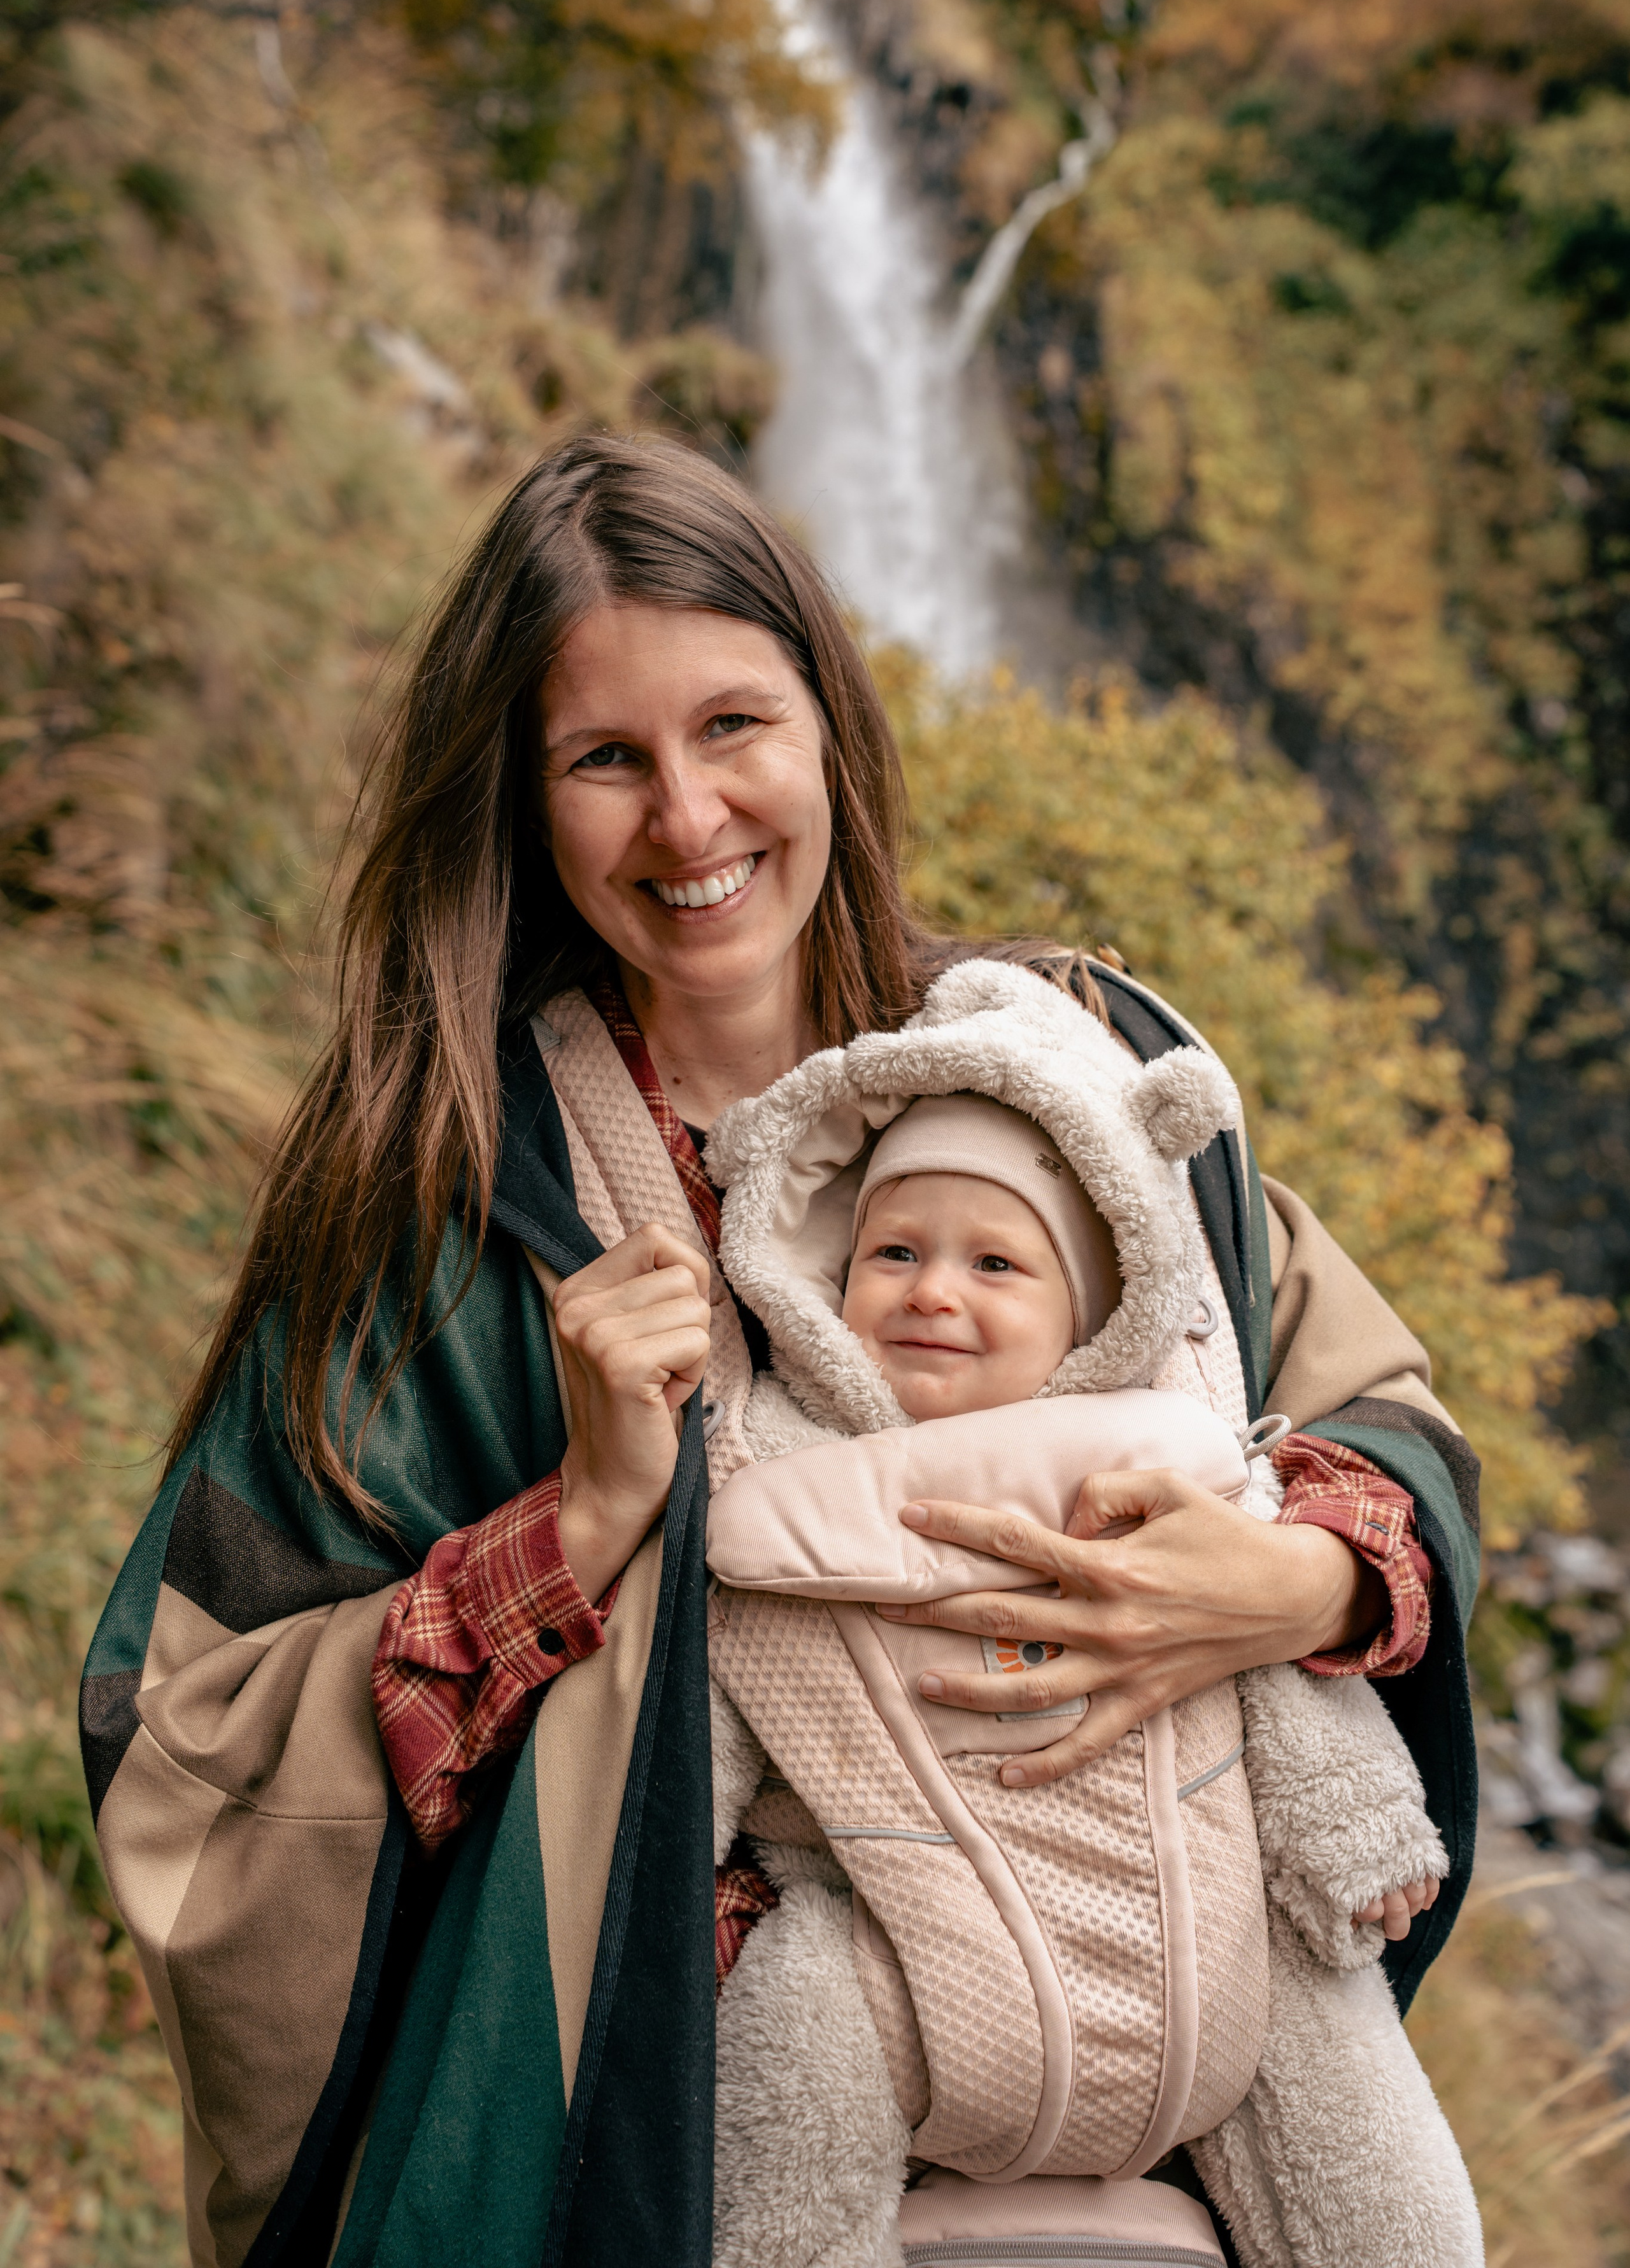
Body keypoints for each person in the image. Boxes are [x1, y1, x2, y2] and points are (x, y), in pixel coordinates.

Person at [79, 433, 1480, 2268]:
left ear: (831, 721)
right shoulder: (439, 1213)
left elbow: (1377, 1413)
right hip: (694, 2171)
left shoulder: (1062, 1068)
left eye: (735, 725)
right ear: (519, 799)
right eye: (604, 760)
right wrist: (583, 1526)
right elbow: (188, 1749)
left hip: (1167, 2158)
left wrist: (1284, 1581)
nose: (688, 822)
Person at [697, 991, 1475, 2266]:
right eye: (893, 1254)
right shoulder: (780, 1504)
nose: (931, 1292)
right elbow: (714, 1716)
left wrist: (1348, 1821)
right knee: (796, 2050)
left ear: (1092, 1309)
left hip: (1210, 1936)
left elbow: (1261, 1678)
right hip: (899, 1949)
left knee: (1365, 2154)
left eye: (994, 1265)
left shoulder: (1163, 1480)